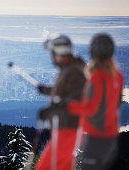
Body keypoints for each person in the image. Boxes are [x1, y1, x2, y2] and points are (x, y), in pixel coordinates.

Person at [67, 33, 123, 170]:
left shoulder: (97, 77)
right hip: (111, 137)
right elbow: (117, 103)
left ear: (93, 52)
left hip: (96, 136)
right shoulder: (117, 75)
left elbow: (91, 108)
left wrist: (68, 106)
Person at [35, 35, 86, 170]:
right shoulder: (70, 69)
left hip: (68, 129)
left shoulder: (73, 71)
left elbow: (78, 98)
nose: (52, 57)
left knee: (45, 167)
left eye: (52, 53)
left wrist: (52, 109)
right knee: (63, 166)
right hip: (67, 128)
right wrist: (47, 90)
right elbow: (66, 92)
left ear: (59, 52)